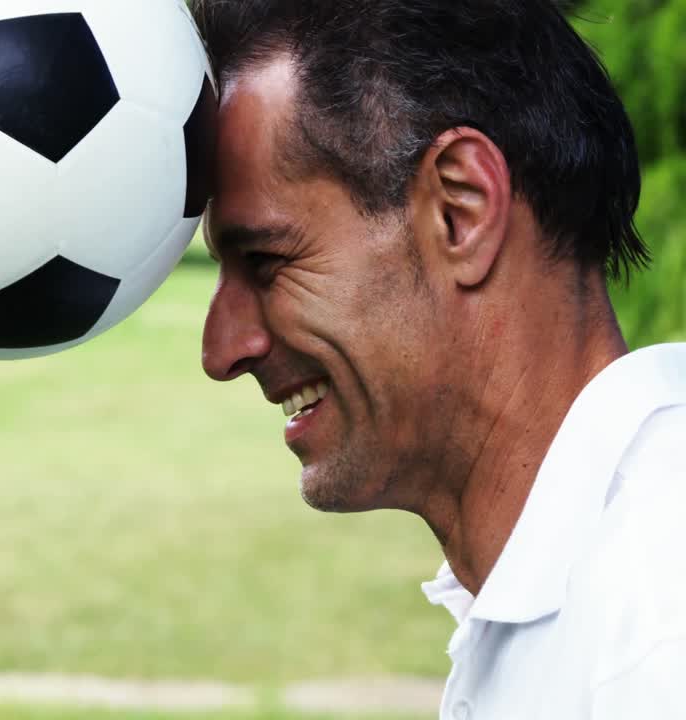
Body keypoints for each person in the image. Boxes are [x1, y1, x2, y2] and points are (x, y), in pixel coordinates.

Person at [189, 0, 685, 717]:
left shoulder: (655, 629)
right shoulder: (576, 596)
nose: (221, 351)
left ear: (461, 209)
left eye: (266, 261)